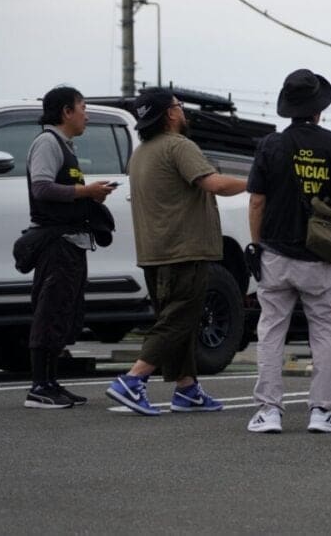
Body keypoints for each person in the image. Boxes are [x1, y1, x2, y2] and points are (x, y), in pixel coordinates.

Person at [246, 69, 331, 434]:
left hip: (275, 253)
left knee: (271, 330)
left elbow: (256, 201)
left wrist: (257, 245)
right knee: (326, 330)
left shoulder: (270, 145)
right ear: (320, 109)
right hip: (320, 257)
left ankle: (269, 411)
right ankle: (321, 410)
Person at [105, 90, 246, 416]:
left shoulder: (141, 153)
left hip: (154, 252)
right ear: (170, 114)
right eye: (179, 107)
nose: (183, 112)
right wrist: (257, 183)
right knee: (180, 319)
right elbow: (214, 184)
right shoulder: (179, 146)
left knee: (176, 319)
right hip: (184, 249)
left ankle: (186, 388)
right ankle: (132, 380)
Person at [24, 86, 117, 409]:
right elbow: (41, 188)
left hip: (72, 242)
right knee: (49, 311)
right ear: (66, 111)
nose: (86, 115)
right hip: (56, 243)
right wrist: (85, 191)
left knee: (64, 311)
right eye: (82, 107)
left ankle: (51, 382)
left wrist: (90, 195)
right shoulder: (48, 143)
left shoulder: (66, 146)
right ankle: (39, 386)